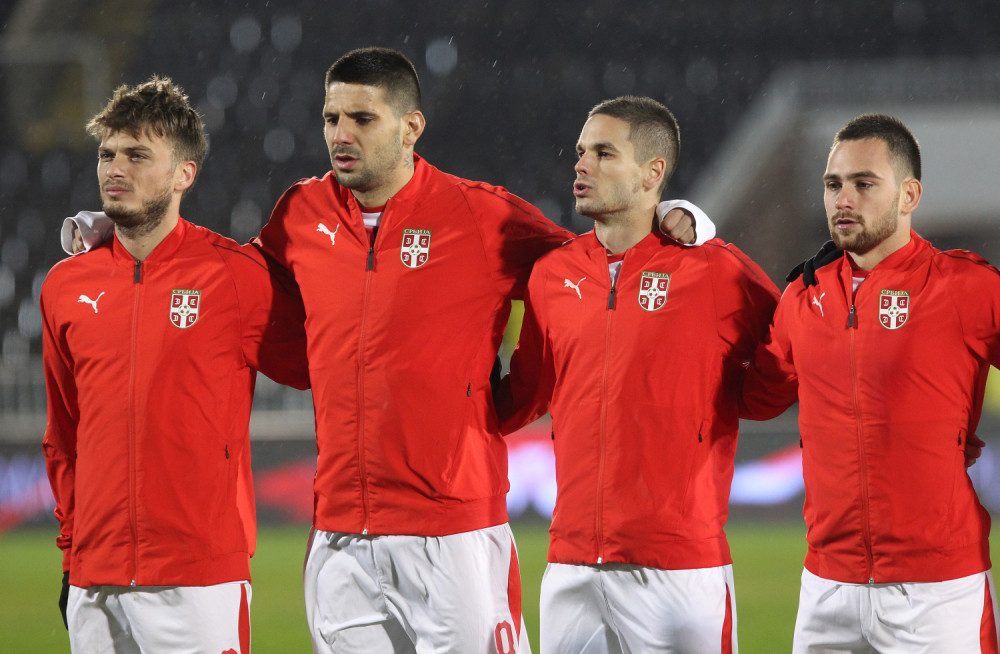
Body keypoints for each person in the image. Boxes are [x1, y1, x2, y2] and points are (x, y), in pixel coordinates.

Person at [62, 48, 712, 652]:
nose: (341, 134)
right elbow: (220, 272)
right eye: (331, 118)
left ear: (410, 128)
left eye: (362, 118)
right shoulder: (301, 213)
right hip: (340, 537)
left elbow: (591, 268)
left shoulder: (480, 216)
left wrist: (675, 218)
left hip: (453, 532)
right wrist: (117, 235)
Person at [492, 95, 779, 653]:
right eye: (581, 151)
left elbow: (796, 347)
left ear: (653, 173)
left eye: (604, 153)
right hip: (573, 564)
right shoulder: (552, 275)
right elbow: (526, 392)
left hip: (680, 566)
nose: (582, 164)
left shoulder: (713, 270)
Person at [41, 76, 309, 653]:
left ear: (184, 173)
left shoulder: (234, 277)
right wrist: (71, 557)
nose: (115, 169)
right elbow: (64, 436)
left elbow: (329, 366)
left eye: (138, 155)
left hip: (199, 579)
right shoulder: (65, 286)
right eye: (107, 154)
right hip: (95, 580)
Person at [742, 113, 1000, 652]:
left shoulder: (963, 286)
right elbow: (754, 397)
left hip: (937, 591)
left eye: (864, 184)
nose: (843, 199)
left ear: (909, 196)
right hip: (827, 588)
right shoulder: (802, 297)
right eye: (833, 184)